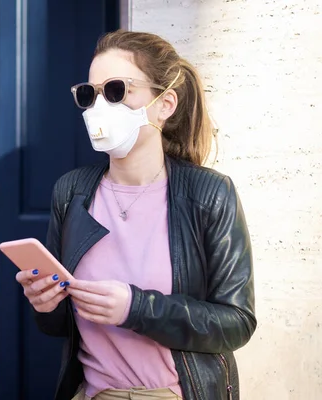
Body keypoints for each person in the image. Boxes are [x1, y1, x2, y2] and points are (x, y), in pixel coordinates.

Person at [15, 30, 256, 400]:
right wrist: (46, 305)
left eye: (116, 90)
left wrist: (137, 307)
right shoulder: (73, 191)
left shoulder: (209, 194)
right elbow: (61, 325)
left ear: (165, 104)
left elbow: (237, 322)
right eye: (88, 94)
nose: (98, 106)